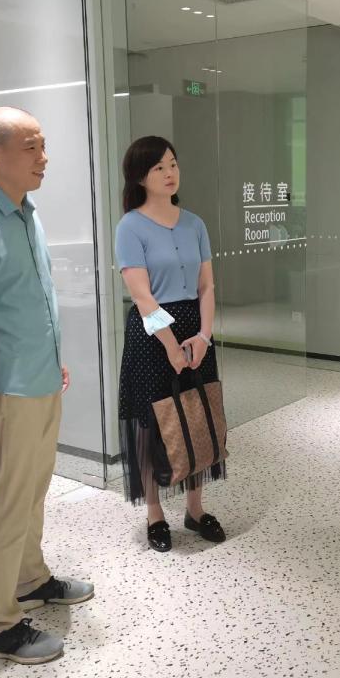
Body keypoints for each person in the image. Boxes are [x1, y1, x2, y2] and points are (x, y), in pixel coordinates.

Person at [0, 107, 92, 666]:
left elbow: (27, 301)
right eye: (31, 147)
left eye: (43, 145)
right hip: (5, 387)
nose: (43, 157)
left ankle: (30, 579)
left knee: (32, 490)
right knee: (8, 501)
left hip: (40, 377)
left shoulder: (27, 213)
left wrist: (53, 360)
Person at [115, 135, 226, 552]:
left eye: (173, 164)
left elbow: (206, 286)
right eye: (159, 167)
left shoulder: (195, 223)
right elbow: (142, 297)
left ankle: (195, 510)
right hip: (152, 334)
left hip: (195, 330)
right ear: (139, 177)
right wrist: (170, 345)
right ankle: (155, 513)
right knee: (151, 422)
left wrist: (203, 336)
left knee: (196, 413)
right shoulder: (130, 226)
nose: (169, 173)